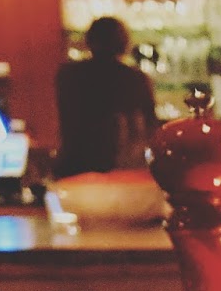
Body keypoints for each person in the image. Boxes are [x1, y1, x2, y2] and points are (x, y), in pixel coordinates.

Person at [54, 16, 159, 178]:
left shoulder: (68, 75)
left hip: (74, 164)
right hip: (120, 167)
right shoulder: (134, 78)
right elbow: (149, 125)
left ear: (89, 41)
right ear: (124, 43)